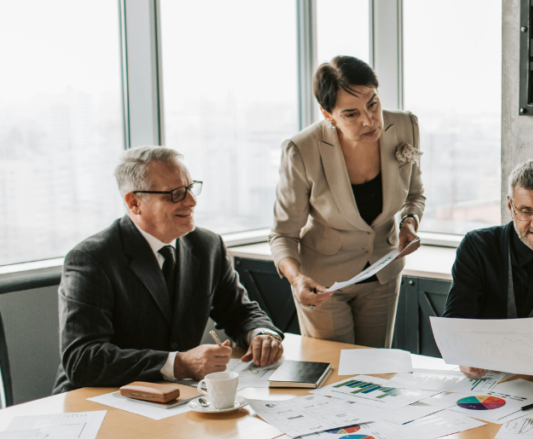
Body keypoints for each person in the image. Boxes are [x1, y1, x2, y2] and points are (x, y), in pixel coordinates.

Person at [53, 147, 284, 394]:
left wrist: (261, 333)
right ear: (134, 203)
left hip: (177, 397)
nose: (191, 202)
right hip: (100, 399)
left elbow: (239, 311)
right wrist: (178, 364)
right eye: (175, 194)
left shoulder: (207, 245)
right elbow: (82, 359)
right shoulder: (92, 258)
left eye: (190, 188)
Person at [270, 55, 424, 347]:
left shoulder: (406, 126)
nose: (368, 120)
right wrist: (297, 279)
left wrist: (409, 222)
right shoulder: (302, 150)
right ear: (328, 115)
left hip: (382, 275)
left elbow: (414, 194)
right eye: (351, 114)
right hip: (323, 284)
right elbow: (282, 234)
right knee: (334, 373)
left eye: (373, 104)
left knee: (376, 373)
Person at [443, 160, 533, 378]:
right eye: (526, 212)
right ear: (510, 207)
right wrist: (463, 355)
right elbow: (456, 319)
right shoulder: (477, 246)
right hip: (487, 379)